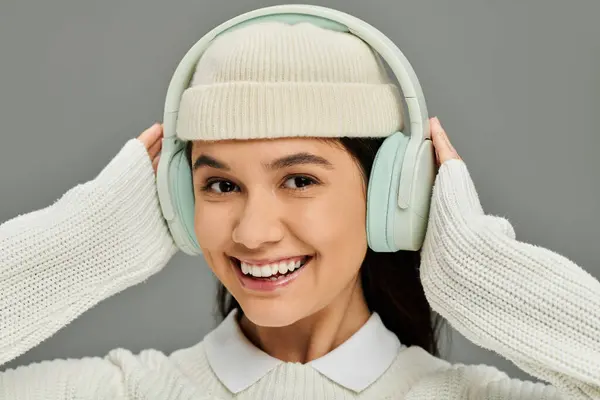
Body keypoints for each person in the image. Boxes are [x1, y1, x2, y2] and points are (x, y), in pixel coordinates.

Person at [1, 19, 599, 400]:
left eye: (299, 179)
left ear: (396, 194)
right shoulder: (116, 392)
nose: (254, 233)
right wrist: (84, 247)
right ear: (179, 204)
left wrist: (483, 277)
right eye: (221, 187)